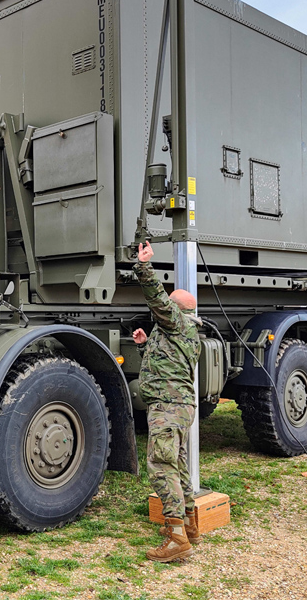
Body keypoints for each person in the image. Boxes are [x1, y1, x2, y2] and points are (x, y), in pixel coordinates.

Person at [132, 241, 202, 562]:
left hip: (168, 408)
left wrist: (144, 266)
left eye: (168, 309)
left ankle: (176, 538)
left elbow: (157, 298)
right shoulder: (182, 332)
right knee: (179, 465)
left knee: (161, 466)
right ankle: (189, 524)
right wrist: (146, 347)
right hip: (180, 407)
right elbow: (167, 364)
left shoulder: (176, 322)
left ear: (178, 311)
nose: (159, 314)